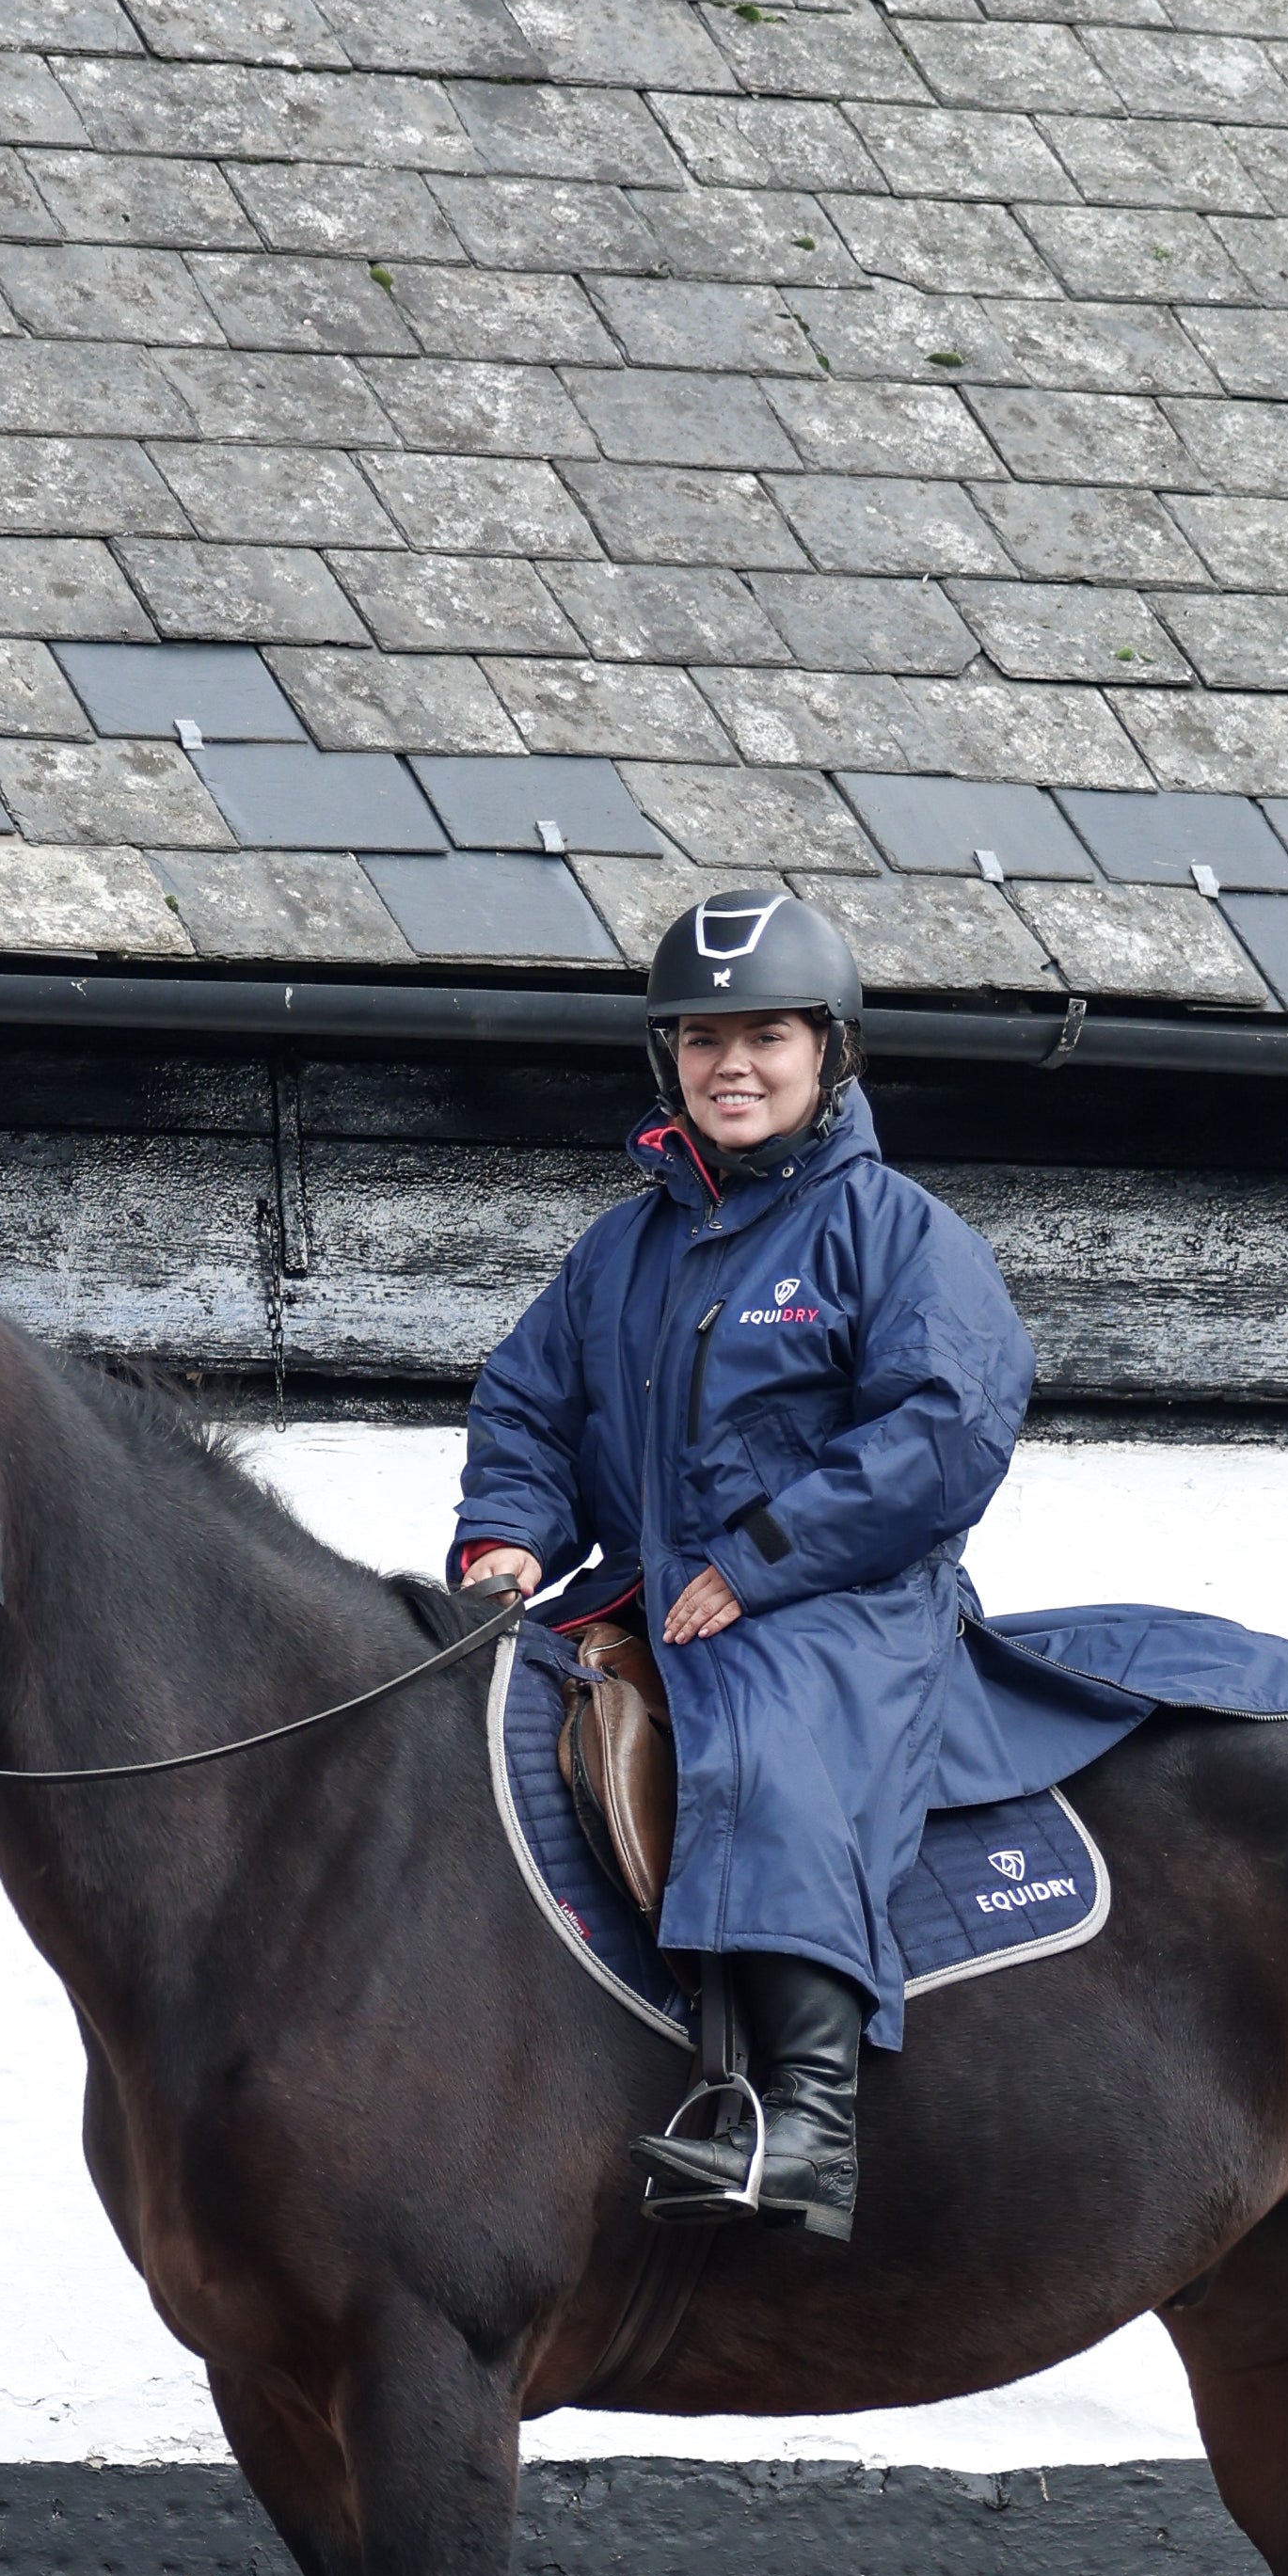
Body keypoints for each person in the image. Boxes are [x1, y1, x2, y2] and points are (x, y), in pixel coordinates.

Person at [452, 887, 1038, 2246]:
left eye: (765, 1035)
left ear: (829, 1051)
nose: (732, 1065)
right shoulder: (620, 1248)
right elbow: (529, 1409)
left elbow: (949, 1428)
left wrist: (767, 1555)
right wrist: (506, 1542)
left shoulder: (896, 1233)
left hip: (841, 1598)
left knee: (768, 1737)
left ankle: (811, 2126)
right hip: (645, 1585)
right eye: (702, 1038)